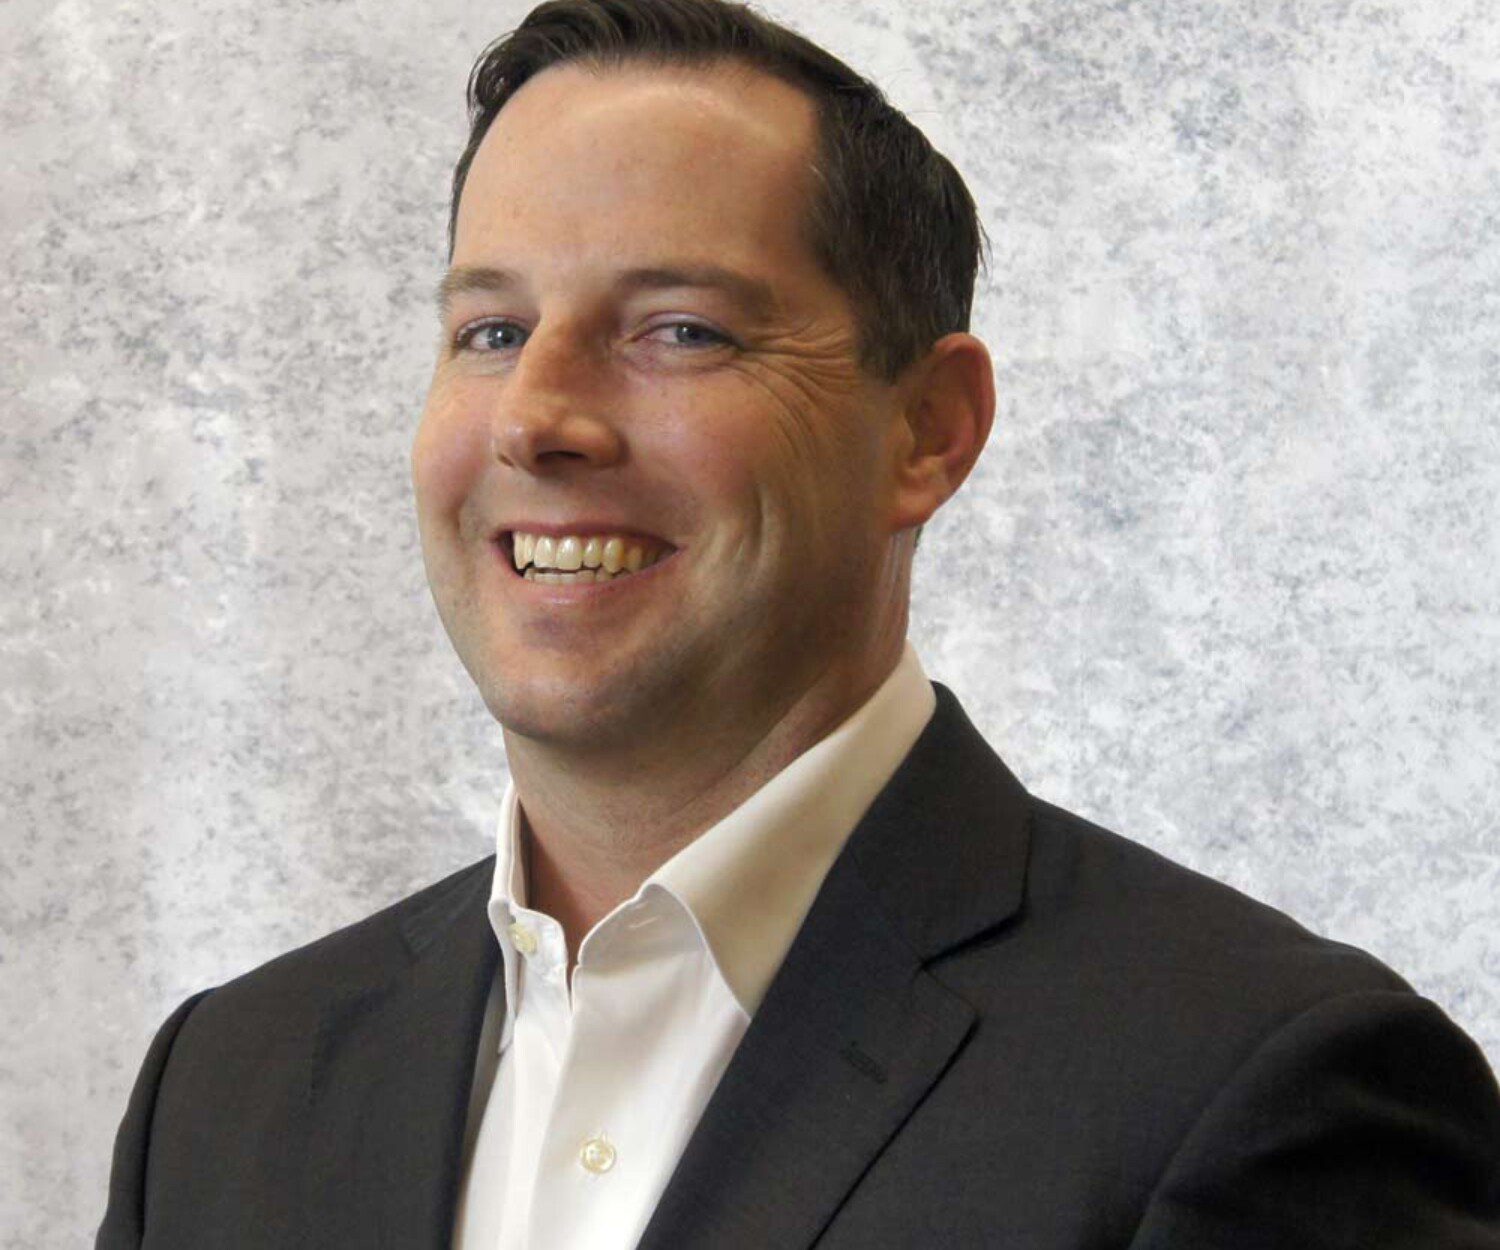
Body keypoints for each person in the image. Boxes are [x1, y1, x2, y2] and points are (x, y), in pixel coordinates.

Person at [97, 1, 1500, 1246]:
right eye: (491, 329)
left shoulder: (1258, 1088)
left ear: (928, 432)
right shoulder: (225, 1093)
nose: (538, 415)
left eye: (682, 330)